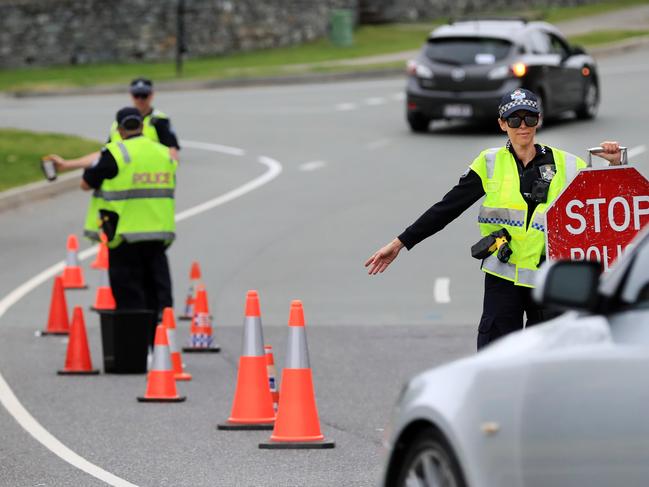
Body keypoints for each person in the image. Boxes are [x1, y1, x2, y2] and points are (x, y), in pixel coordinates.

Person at [365, 88, 620, 350]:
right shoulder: (489, 163)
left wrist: (615, 163)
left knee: (549, 357)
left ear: (539, 120)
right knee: (496, 354)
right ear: (502, 124)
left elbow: (608, 207)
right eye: (514, 120)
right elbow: (447, 208)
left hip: (549, 278)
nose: (523, 127)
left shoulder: (567, 164)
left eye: (530, 119)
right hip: (503, 276)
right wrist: (401, 242)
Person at [52, 107, 177, 343]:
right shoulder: (164, 154)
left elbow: (86, 184)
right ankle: (160, 345)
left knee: (130, 294)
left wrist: (71, 166)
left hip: (124, 237)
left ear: (119, 130)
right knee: (158, 293)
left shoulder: (115, 154)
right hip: (157, 235)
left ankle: (135, 348)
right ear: (142, 126)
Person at [54, 78, 180, 242]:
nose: (141, 100)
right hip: (124, 193)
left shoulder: (159, 121)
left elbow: (171, 156)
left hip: (144, 192)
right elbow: (106, 155)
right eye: (137, 96)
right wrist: (68, 164)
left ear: (151, 95)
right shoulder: (116, 125)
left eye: (144, 95)